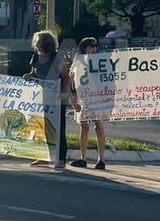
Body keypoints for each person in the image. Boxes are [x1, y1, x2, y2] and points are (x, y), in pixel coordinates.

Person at [23, 30, 71, 169]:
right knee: (42, 126)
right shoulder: (35, 57)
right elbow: (34, 73)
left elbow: (66, 76)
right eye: (36, 43)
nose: (37, 45)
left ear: (46, 43)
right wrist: (29, 76)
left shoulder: (56, 58)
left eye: (39, 42)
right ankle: (44, 156)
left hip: (56, 98)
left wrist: (64, 93)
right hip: (41, 97)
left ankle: (61, 159)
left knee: (58, 128)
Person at [69, 37, 107, 170]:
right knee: (84, 127)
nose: (94, 49)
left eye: (95, 46)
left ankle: (101, 159)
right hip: (83, 96)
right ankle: (83, 158)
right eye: (91, 46)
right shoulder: (78, 60)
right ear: (84, 47)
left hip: (97, 96)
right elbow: (71, 80)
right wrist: (73, 99)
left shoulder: (100, 60)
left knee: (98, 125)